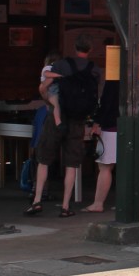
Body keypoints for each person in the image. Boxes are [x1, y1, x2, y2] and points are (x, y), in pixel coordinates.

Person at [27, 36, 101, 217]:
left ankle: (37, 201)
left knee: (43, 159)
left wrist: (49, 101)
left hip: (56, 117)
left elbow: (44, 87)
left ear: (74, 47)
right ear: (90, 49)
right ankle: (66, 206)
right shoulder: (95, 70)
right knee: (71, 164)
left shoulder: (61, 65)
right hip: (78, 120)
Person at [82, 80, 118, 213]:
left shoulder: (113, 81)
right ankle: (125, 202)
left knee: (105, 166)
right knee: (126, 168)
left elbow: (106, 103)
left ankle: (98, 203)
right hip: (128, 126)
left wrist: (97, 123)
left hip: (111, 126)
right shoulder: (132, 78)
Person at [40, 51, 63, 127]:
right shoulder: (48, 67)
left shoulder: (53, 67)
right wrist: (57, 75)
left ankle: (55, 119)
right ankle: (58, 122)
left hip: (51, 88)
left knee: (52, 106)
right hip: (51, 88)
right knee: (56, 105)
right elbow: (46, 73)